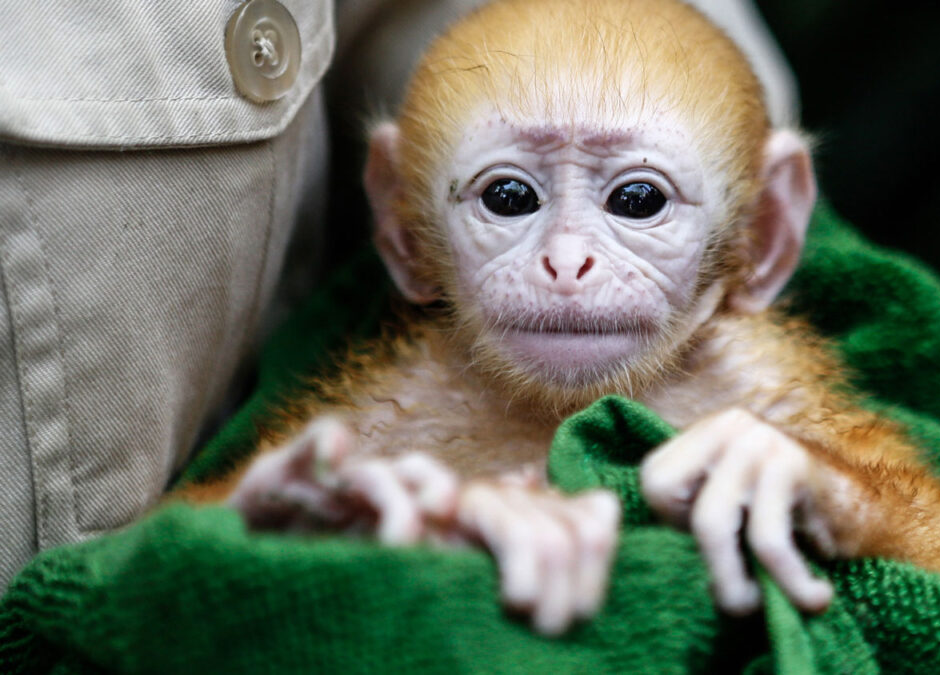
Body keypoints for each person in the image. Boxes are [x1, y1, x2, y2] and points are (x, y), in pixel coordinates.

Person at [0, 0, 798, 587]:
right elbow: (157, 570)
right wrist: (243, 541)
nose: (567, 261)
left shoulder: (768, 399)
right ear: (404, 231)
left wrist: (844, 498)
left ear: (766, 236)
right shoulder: (384, 421)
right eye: (510, 198)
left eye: (636, 200)